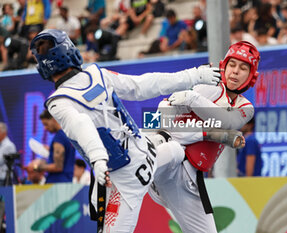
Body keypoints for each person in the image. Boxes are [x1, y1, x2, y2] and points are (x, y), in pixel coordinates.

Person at [29, 29, 220, 232]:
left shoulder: (58, 101)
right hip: (149, 153)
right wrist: (194, 75)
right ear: (69, 49)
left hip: (125, 179)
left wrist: (97, 158)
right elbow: (145, 84)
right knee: (175, 151)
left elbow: (80, 124)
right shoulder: (97, 75)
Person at [148, 41, 261, 233]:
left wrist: (193, 99)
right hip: (170, 159)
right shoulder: (209, 87)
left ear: (251, 76)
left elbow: (227, 122)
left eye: (243, 68)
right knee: (168, 147)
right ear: (224, 66)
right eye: (232, 65)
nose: (235, 72)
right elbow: (160, 113)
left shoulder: (246, 107)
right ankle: (130, 168)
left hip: (190, 180)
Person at [34, 109, 76, 183]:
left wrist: (37, 167)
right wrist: (51, 150)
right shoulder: (68, 135)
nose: (45, 128)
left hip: (56, 184)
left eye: (46, 124)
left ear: (53, 119)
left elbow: (58, 167)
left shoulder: (59, 138)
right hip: (67, 182)